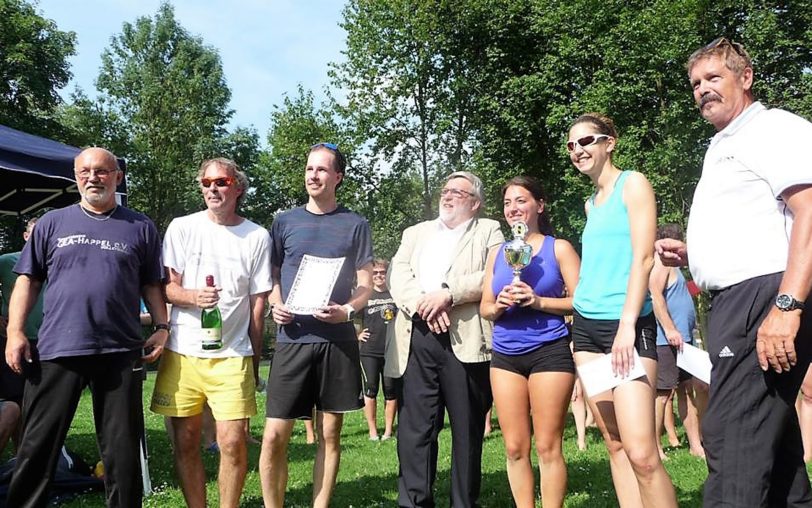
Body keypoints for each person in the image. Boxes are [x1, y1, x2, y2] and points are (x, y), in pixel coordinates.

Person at [657, 37, 812, 506]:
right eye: (696, 83)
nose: (702, 89)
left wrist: (787, 306)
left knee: (729, 435)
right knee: (776, 446)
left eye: (713, 78)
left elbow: (809, 211)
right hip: (734, 301)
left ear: (745, 78)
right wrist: (695, 254)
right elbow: (761, 224)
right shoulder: (726, 144)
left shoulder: (773, 128)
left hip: (765, 298)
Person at [4, 147, 168, 507]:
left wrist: (161, 325)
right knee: (37, 446)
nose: (93, 177)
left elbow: (152, 284)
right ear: (76, 177)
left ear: (117, 177)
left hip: (119, 350)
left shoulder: (140, 226)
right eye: (85, 172)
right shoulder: (51, 223)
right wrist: (15, 332)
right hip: (57, 348)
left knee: (122, 451)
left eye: (102, 171)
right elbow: (27, 281)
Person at [567, 113, 678, 507]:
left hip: (626, 329)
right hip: (587, 333)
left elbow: (644, 258)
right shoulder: (590, 203)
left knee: (643, 454)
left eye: (587, 141)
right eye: (572, 145)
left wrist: (628, 326)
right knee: (615, 444)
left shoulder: (633, 184)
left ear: (610, 142)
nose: (578, 150)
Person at [150, 157, 272, 508]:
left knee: (232, 442)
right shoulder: (182, 227)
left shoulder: (257, 236)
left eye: (220, 182)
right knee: (186, 442)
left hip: (233, 354)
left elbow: (258, 305)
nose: (212, 189)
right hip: (183, 351)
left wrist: (254, 357)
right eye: (206, 183)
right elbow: (167, 289)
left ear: (238, 187)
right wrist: (193, 297)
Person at [260, 142, 373, 508]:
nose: (314, 175)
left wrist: (347, 311)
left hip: (336, 340)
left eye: (322, 170)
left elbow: (366, 283)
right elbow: (272, 277)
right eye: (310, 169)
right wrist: (275, 305)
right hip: (292, 339)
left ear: (337, 177)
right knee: (275, 435)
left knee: (329, 433)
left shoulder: (355, 223)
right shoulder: (284, 221)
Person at [387, 171, 504, 508]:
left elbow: (494, 273)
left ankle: (463, 502)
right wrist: (424, 305)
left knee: (467, 429)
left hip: (464, 340)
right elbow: (399, 273)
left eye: (459, 192)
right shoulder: (415, 233)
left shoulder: (488, 230)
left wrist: (448, 294)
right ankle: (413, 500)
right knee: (416, 428)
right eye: (446, 190)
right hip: (417, 337)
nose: (448, 196)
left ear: (475, 203)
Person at [480, 176, 580, 508]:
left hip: (549, 350)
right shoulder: (497, 253)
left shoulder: (559, 248)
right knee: (514, 447)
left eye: (521, 201)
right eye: (508, 203)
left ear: (539, 205)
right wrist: (500, 305)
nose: (513, 209)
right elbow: (484, 307)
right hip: (505, 354)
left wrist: (537, 302)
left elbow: (581, 302)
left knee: (548, 446)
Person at [650, 223, 706, 460]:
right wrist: (670, 329)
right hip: (667, 341)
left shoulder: (674, 266)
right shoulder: (661, 262)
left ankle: (696, 445)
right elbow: (655, 295)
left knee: (687, 391)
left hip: (683, 341)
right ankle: (655, 447)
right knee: (662, 395)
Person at [0, 217, 43, 455]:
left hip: (47, 342)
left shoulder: (56, 262)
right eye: (35, 233)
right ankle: (20, 457)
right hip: (13, 341)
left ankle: (29, 457)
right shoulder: (7, 261)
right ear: (26, 236)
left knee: (37, 402)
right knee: (16, 400)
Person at [358, 258, 399, 441]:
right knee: (371, 389)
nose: (379, 276)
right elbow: (353, 317)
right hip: (369, 351)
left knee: (391, 391)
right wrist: (356, 335)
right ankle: (373, 431)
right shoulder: (365, 295)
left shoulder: (395, 294)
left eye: (382, 272)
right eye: (375, 273)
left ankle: (389, 431)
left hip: (392, 350)